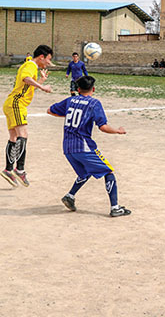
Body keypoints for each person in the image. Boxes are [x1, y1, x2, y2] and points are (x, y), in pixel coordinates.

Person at [47, 75, 131, 217]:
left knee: (85, 172)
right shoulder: (94, 103)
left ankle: (70, 195)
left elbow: (50, 110)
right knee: (108, 172)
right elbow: (103, 127)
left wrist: (69, 115)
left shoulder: (70, 100)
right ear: (93, 89)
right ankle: (115, 207)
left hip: (67, 147)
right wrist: (118, 131)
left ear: (78, 89)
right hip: (84, 146)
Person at [0, 45, 54, 187]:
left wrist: (41, 81)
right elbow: (26, 79)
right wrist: (43, 87)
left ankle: (8, 169)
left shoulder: (30, 66)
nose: (48, 63)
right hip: (17, 104)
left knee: (14, 137)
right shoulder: (31, 65)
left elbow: (28, 86)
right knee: (23, 135)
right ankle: (20, 169)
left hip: (12, 104)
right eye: (48, 59)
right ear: (41, 57)